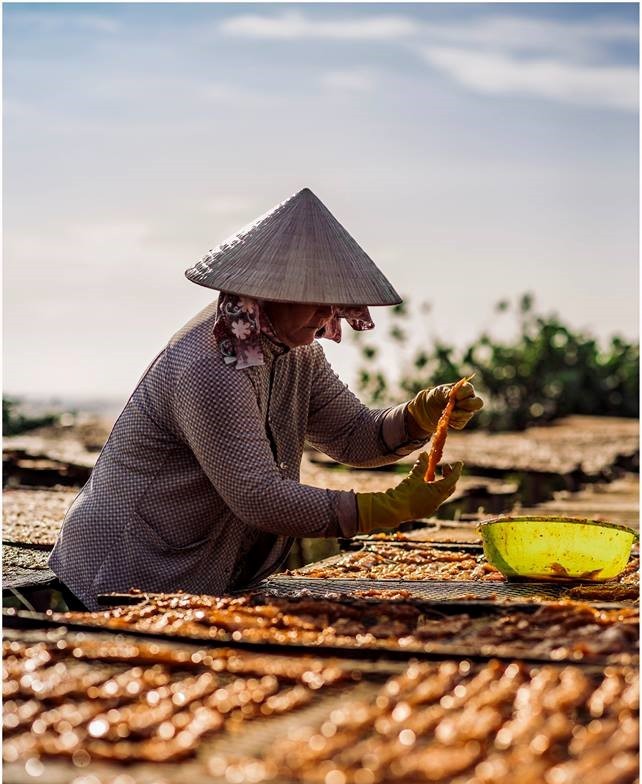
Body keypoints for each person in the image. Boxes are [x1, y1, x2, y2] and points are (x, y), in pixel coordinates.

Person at [50, 188, 482, 610]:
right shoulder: (212, 364)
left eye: (335, 303)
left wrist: (419, 416)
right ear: (269, 293)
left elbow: (354, 435)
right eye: (315, 300)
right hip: (125, 571)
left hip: (199, 574)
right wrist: (383, 509)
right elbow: (259, 496)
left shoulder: (297, 352)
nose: (328, 315)